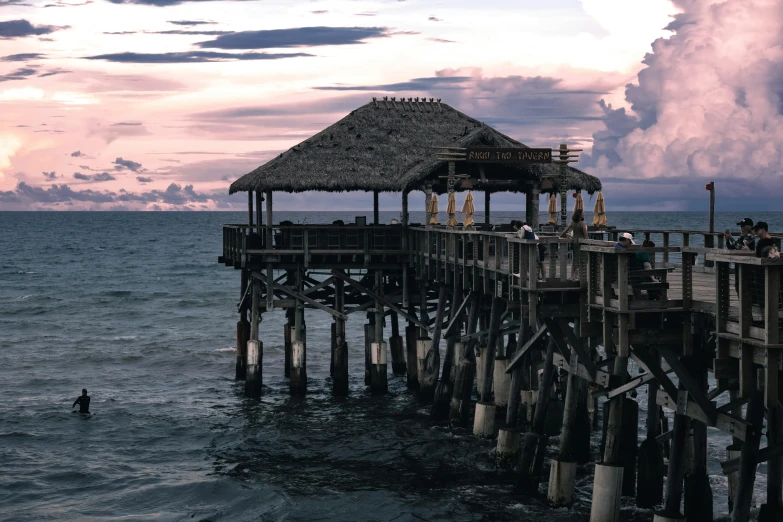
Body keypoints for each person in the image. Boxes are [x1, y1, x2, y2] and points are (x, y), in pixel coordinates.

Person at [560, 209, 588, 280]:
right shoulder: (582, 223)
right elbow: (585, 235)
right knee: (581, 259)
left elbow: (564, 232)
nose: (583, 214)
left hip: (574, 243)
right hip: (582, 243)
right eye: (582, 213)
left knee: (575, 259)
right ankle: (578, 276)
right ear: (580, 215)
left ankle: (573, 276)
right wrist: (589, 243)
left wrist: (564, 236)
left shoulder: (572, 223)